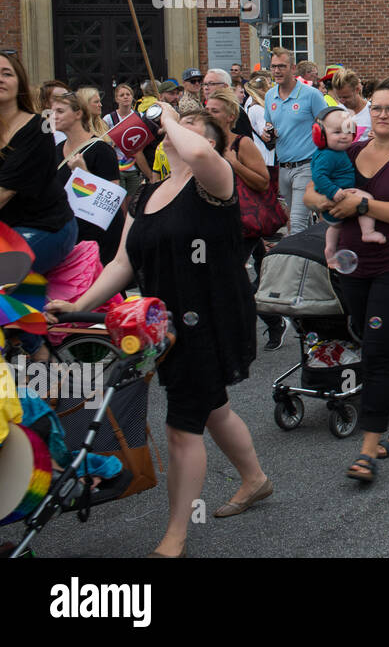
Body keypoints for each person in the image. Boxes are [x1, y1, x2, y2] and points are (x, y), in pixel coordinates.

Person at [47, 105, 268, 557]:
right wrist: (77, 306)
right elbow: (123, 263)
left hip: (212, 316)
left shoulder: (216, 180)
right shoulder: (145, 195)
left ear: (210, 142)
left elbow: (202, 155)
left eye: (192, 128)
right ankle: (256, 480)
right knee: (213, 408)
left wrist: (167, 114)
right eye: (176, 126)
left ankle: (175, 535)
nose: (177, 131)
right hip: (162, 323)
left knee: (182, 425)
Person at [303, 77, 389, 483]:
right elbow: (310, 190)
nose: (381, 114)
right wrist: (328, 202)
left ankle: (368, 449)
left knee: (376, 351)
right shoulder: (350, 149)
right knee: (382, 342)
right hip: (355, 268)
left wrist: (361, 202)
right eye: (376, 107)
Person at [0, 53, 77, 302]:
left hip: (46, 226)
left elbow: (4, 192)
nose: (0, 79)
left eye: (6, 73)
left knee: (3, 278)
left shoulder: (39, 125)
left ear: (19, 81)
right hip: (7, 229)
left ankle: (34, 341)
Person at [51, 89, 124, 266]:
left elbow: (111, 203)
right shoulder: (56, 149)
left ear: (78, 113)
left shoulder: (100, 150)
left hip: (98, 240)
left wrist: (83, 174)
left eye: (60, 111)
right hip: (70, 235)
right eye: (52, 112)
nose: (54, 116)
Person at [204, 87, 273, 271]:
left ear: (230, 117)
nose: (209, 116)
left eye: (215, 111)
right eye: (207, 110)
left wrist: (235, 164)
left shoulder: (242, 143)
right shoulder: (200, 144)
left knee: (228, 269)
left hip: (239, 221)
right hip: (210, 220)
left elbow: (263, 182)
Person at [264, 46, 329, 237]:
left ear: (293, 68)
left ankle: (295, 266)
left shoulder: (311, 95)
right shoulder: (269, 96)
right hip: (283, 166)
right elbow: (270, 125)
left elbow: (328, 124)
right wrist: (268, 133)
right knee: (304, 221)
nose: (276, 71)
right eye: (274, 67)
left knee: (297, 223)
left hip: (306, 166)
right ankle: (319, 258)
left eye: (282, 66)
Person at [312, 107, 384, 269]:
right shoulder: (328, 155)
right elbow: (318, 177)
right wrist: (334, 191)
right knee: (366, 199)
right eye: (337, 132)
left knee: (335, 227)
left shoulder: (335, 152)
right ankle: (368, 232)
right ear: (320, 135)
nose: (344, 136)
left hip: (335, 199)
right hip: (338, 194)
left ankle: (330, 251)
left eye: (347, 132)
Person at [107, 82, 151, 198]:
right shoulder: (109, 118)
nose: (125, 97)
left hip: (135, 166)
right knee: (119, 200)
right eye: (122, 95)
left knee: (133, 200)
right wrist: (115, 141)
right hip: (117, 167)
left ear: (132, 97)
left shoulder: (140, 116)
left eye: (128, 94)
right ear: (117, 99)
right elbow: (104, 143)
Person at [204, 69, 254, 138]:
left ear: (225, 87)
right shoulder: (203, 107)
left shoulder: (237, 112)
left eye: (211, 84)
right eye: (205, 84)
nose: (206, 88)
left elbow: (246, 142)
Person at [331, 68, 371, 140]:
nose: (342, 101)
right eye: (339, 97)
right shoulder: (337, 112)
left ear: (357, 90)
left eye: (346, 97)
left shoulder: (372, 111)